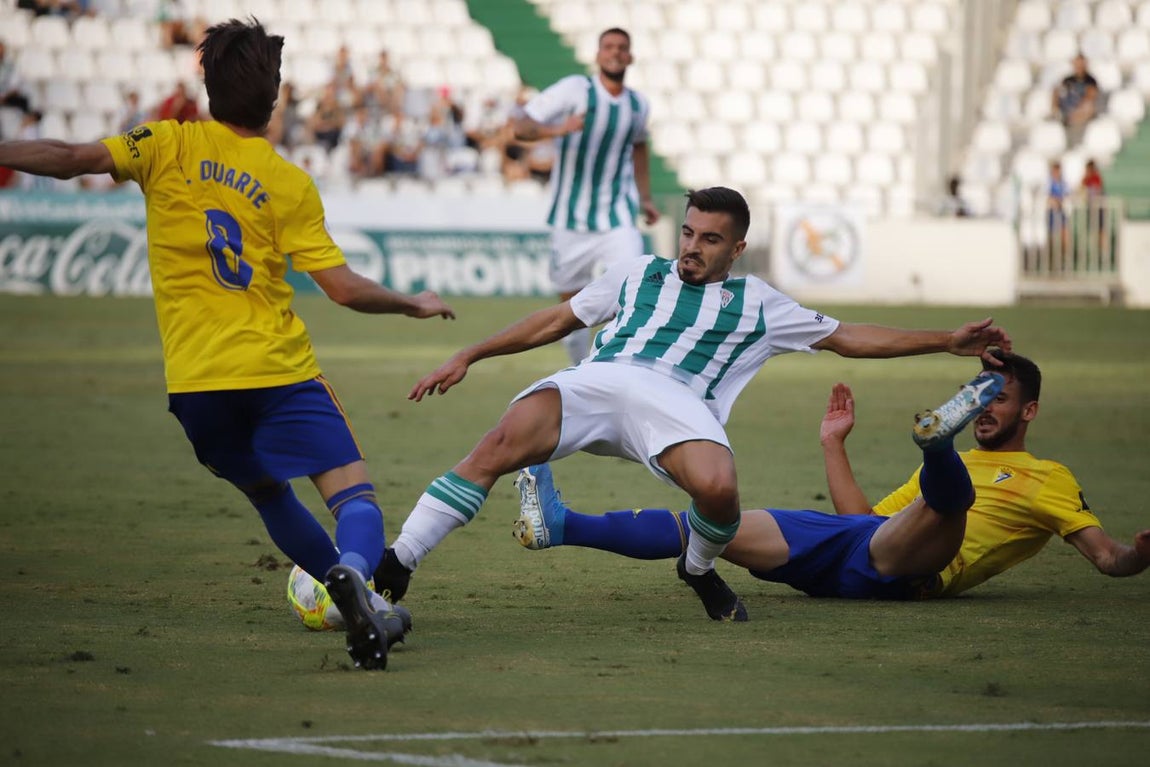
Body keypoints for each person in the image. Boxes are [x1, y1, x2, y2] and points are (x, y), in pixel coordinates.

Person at [0, 18, 456, 671]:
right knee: (353, 495)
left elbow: (72, 159)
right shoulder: (287, 181)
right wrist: (412, 301)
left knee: (270, 494)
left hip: (195, 384)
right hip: (275, 368)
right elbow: (343, 289)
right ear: (275, 97)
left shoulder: (164, 143)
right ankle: (356, 575)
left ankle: (354, 601)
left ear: (206, 84)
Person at [373, 186, 1011, 622]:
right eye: (687, 232)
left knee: (719, 490)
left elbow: (849, 337)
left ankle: (699, 568)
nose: (691, 246)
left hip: (679, 403)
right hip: (598, 378)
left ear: (735, 250)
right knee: (497, 446)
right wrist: (470, 354)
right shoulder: (635, 273)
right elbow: (554, 320)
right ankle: (395, 566)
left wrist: (945, 341)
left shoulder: (760, 301)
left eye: (709, 239)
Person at [514, 352, 1150, 599]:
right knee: (712, 526)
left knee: (945, 508)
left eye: (995, 399)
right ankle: (562, 525)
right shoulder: (926, 494)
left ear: (1029, 412)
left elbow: (1106, 557)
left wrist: (1136, 558)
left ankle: (936, 453)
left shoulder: (1048, 478)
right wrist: (832, 445)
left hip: (923, 569)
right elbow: (862, 525)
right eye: (977, 398)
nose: (987, 412)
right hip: (863, 548)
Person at [510, 28, 662, 365]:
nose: (616, 53)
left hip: (617, 217)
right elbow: (520, 126)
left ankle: (619, 365)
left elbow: (639, 146)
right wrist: (557, 129)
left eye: (623, 47)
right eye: (608, 46)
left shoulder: (638, 104)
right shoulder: (575, 90)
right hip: (570, 219)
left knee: (632, 287)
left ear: (631, 56)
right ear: (597, 55)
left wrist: (645, 197)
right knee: (570, 305)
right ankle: (577, 368)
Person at [1051, 53, 1099, 147]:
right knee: (1055, 91)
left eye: (1081, 63)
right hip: (1067, 108)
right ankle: (1059, 116)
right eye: (1077, 63)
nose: (1079, 66)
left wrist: (1077, 110)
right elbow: (1059, 92)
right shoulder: (1067, 80)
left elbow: (1090, 96)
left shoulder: (1090, 80)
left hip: (1080, 112)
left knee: (1088, 107)